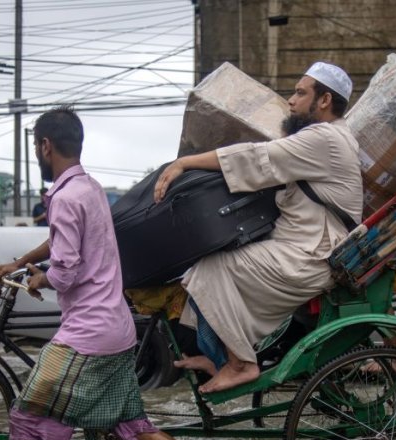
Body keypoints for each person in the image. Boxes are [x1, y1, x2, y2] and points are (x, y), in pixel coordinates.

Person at [0, 106, 211, 440]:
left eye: (35, 147)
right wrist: (25, 260)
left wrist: (39, 281)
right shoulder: (90, 189)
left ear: (45, 146)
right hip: (118, 329)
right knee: (135, 424)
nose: (37, 154)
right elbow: (64, 241)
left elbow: (65, 271)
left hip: (88, 335)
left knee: (26, 417)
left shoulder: (63, 198)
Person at [153, 61, 363, 393]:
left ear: (324, 100)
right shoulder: (330, 138)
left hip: (311, 256)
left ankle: (241, 364)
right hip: (302, 249)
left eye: (300, 92)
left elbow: (256, 157)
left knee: (213, 268)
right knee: (203, 272)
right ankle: (221, 357)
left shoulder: (324, 137)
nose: (291, 101)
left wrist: (184, 162)